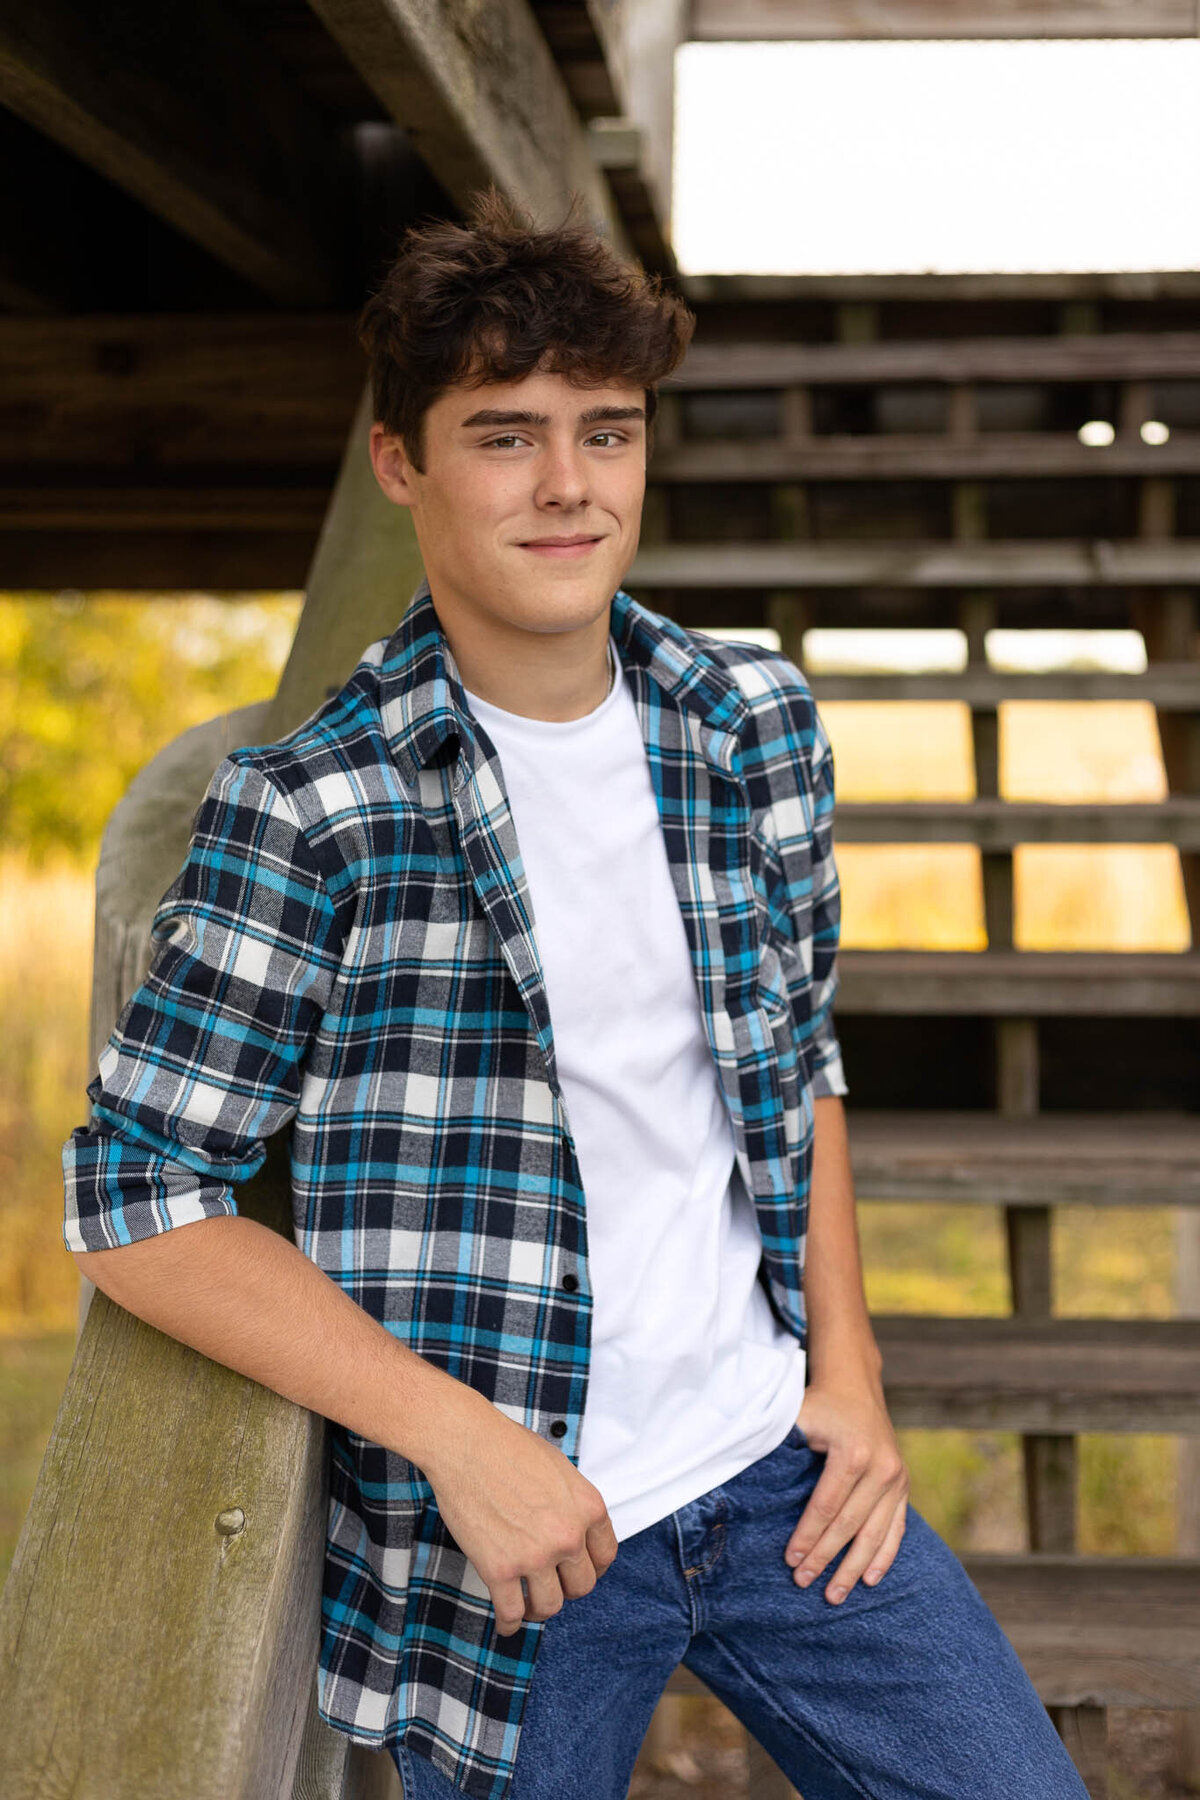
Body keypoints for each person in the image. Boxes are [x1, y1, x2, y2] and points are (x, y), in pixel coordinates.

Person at [63, 189, 1087, 1800]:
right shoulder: (316, 808)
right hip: (519, 1544)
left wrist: (851, 1373)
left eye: (607, 432)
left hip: (779, 1475)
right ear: (400, 461)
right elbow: (136, 1198)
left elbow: (797, 1056)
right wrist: (459, 1441)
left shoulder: (752, 724)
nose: (568, 485)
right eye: (506, 435)